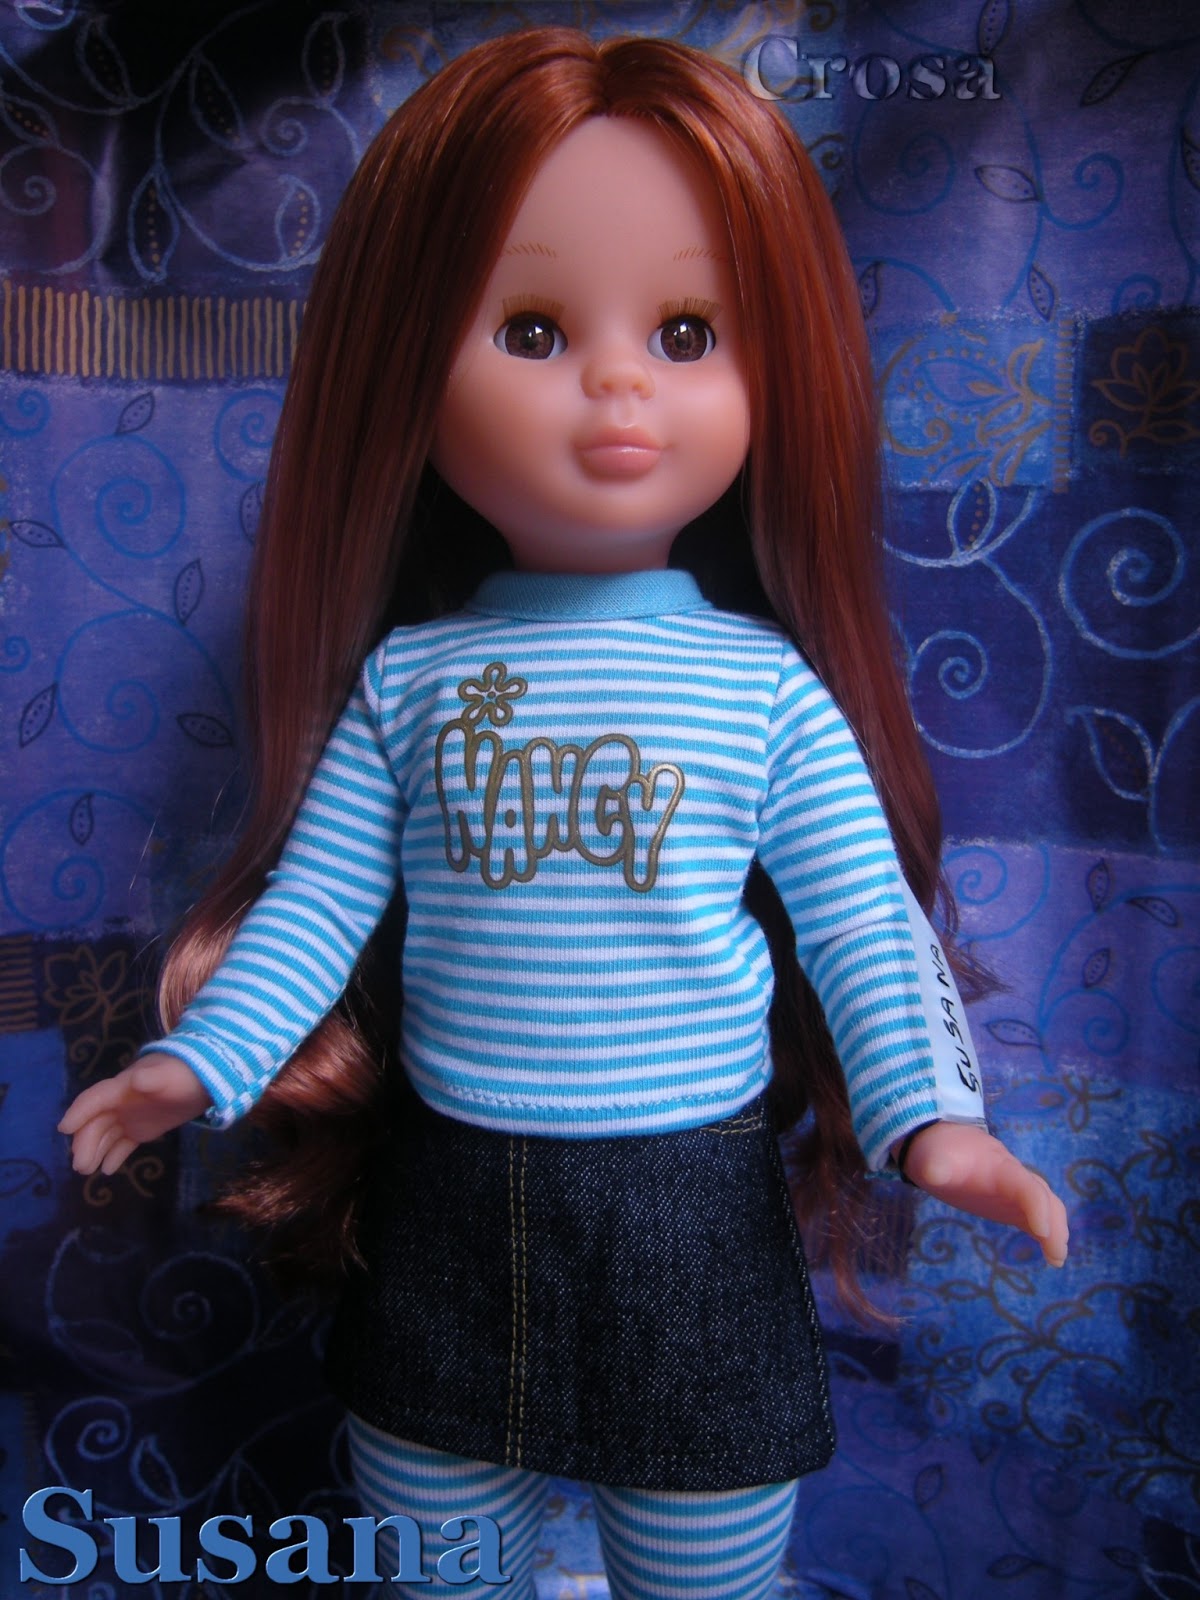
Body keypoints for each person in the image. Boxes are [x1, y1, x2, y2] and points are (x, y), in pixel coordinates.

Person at [60, 29, 1068, 1599]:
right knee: (438, 1554)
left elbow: (865, 924)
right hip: (451, 1207)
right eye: (531, 328)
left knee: (706, 1562)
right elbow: (315, 905)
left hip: (691, 1212)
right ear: (409, 363)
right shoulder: (412, 682)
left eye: (687, 331)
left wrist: (937, 1125)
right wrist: (197, 1062)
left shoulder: (765, 692)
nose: (617, 381)